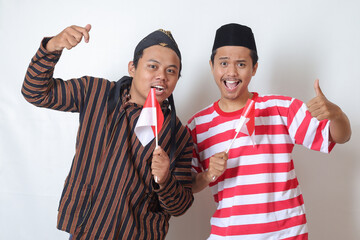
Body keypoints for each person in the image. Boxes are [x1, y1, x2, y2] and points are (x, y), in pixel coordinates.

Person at [22, 24, 194, 240]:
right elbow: (35, 92)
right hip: (87, 229)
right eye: (153, 66)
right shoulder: (95, 92)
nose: (162, 76)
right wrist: (51, 47)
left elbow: (180, 207)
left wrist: (165, 179)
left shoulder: (178, 135)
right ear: (132, 67)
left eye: (171, 71)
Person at [187, 23, 351, 239]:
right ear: (212, 65)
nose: (231, 72)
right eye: (224, 63)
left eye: (242, 64)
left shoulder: (281, 109)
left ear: (254, 68)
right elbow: (188, 184)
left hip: (285, 234)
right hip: (228, 234)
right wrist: (208, 175)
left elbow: (341, 136)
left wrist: (337, 115)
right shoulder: (198, 125)